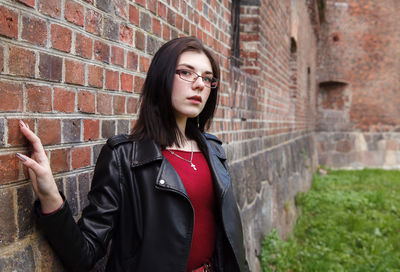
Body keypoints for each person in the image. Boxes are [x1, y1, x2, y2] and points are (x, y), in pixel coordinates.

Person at [16, 37, 247, 272]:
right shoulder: (124, 157)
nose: (199, 84)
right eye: (186, 72)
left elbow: (231, 242)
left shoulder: (214, 150)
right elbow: (85, 254)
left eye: (207, 78)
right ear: (162, 77)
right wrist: (50, 197)